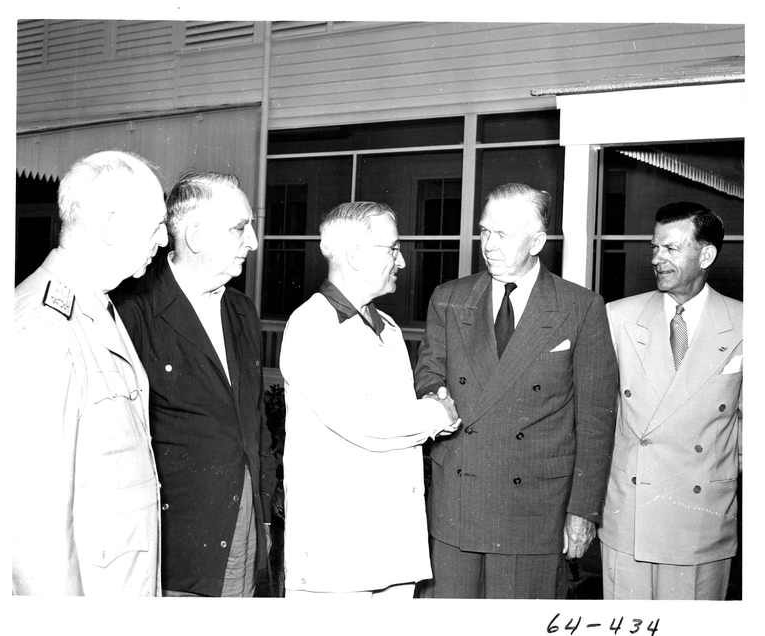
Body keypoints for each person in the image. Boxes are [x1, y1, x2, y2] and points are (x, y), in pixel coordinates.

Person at [414, 182, 618, 599]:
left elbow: (595, 421)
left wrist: (582, 511)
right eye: (485, 231)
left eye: (502, 234)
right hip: (460, 496)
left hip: (535, 506)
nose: (488, 244)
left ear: (538, 241)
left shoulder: (580, 307)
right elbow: (428, 373)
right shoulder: (449, 299)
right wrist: (436, 398)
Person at [280, 201, 461, 598]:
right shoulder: (312, 325)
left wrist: (433, 410)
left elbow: (397, 416)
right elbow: (363, 422)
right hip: (338, 553)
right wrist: (434, 412)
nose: (402, 262)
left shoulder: (388, 328)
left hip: (392, 545)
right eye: (392, 249)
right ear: (355, 254)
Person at [114, 171, 276, 597]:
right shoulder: (132, 313)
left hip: (244, 532)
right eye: (241, 228)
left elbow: (255, 425)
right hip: (174, 552)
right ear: (197, 235)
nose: (254, 242)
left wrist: (263, 520)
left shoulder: (242, 310)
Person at [13, 150, 168, 595]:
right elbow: (34, 537)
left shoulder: (97, 308)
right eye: (156, 225)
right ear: (113, 227)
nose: (162, 240)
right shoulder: (43, 330)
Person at [598, 202, 742, 600]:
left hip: (702, 521)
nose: (656, 258)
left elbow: (753, 431)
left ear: (706, 254)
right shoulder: (617, 317)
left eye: (671, 249)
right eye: (654, 247)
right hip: (630, 515)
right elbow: (598, 421)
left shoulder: (748, 323)